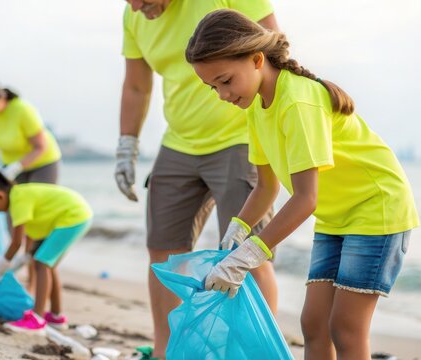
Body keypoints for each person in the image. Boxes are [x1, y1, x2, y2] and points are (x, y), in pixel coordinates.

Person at [186, 9, 420, 359]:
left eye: (225, 80)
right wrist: (238, 228)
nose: (221, 94)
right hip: (336, 216)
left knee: (345, 327)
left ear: (256, 59)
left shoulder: (297, 101)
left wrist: (248, 256)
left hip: (377, 210)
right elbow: (266, 187)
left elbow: (305, 198)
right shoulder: (255, 106)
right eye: (212, 87)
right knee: (313, 324)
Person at [116, 1, 280, 358]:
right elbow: (136, 87)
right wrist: (127, 144)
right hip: (179, 141)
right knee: (161, 250)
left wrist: (276, 122)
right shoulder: (133, 16)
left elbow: (274, 46)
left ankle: (255, 352)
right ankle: (167, 351)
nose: (136, 5)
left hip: (240, 136)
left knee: (247, 250)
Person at [0, 166, 93, 334]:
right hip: (74, 214)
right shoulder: (20, 194)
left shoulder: (18, 200)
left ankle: (36, 318)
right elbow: (30, 237)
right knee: (47, 264)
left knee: (42, 263)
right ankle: (56, 317)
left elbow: (16, 243)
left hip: (73, 216)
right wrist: (27, 256)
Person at [0, 81, 63, 292]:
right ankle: (21, 268)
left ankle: (35, 281)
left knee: (34, 221)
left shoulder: (23, 110)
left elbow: (40, 146)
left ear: (2, 99)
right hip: (10, 166)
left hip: (43, 162)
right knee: (14, 219)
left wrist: (17, 167)